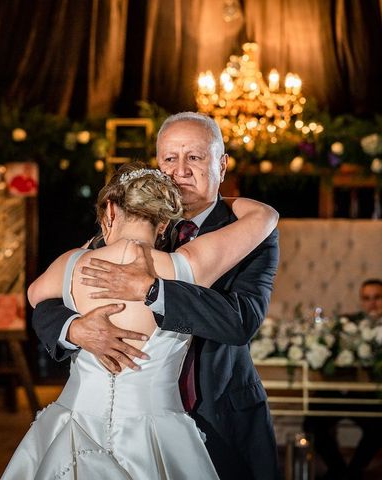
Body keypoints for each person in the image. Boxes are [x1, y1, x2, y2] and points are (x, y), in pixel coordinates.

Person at [32, 113, 281, 480]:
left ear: (222, 165)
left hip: (220, 417)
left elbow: (239, 321)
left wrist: (151, 290)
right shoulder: (118, 232)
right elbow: (47, 302)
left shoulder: (245, 234)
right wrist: (73, 329)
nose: (180, 170)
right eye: (169, 158)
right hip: (108, 423)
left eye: (194, 157)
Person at [303, 278, 382, 480]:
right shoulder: (347, 323)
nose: (372, 303)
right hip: (339, 391)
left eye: (377, 298)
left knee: (378, 427)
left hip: (372, 397)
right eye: (366, 298)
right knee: (312, 422)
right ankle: (339, 470)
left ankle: (354, 472)